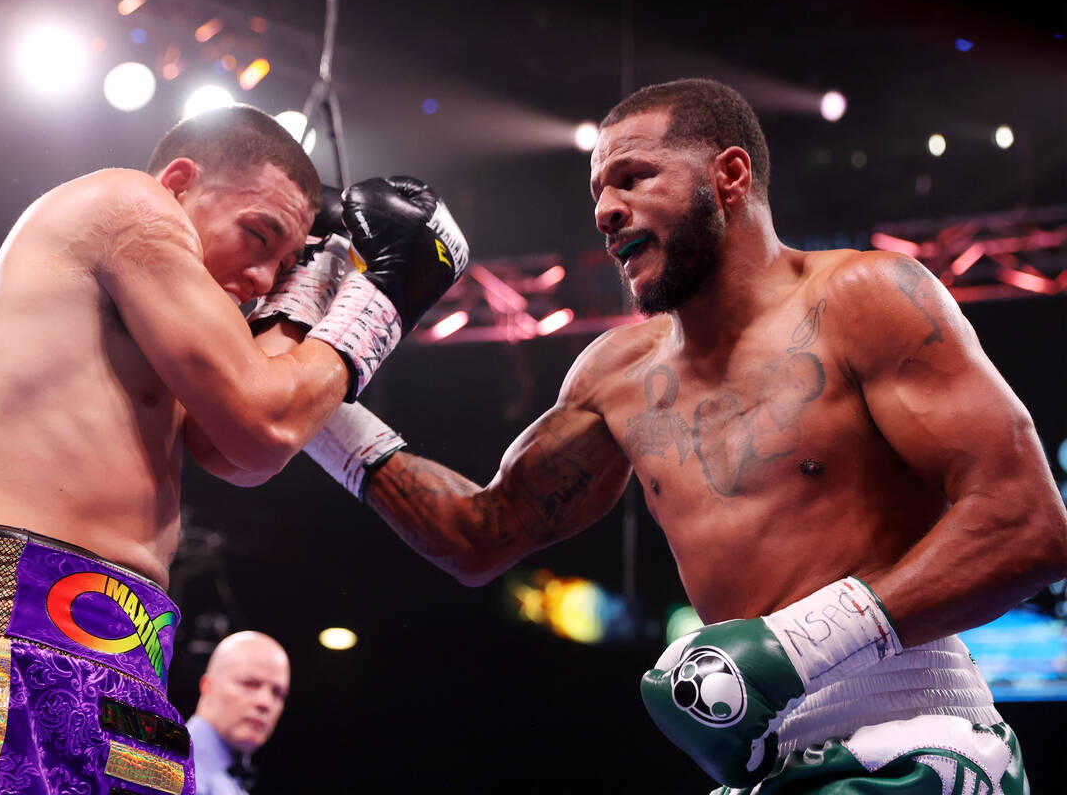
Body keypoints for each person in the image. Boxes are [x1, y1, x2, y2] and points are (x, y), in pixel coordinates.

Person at [298, 79, 1067, 793]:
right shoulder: (615, 377)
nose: (604, 210)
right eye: (598, 191)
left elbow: (1028, 524)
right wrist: (307, 384)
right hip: (767, 759)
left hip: (915, 735)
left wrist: (798, 645)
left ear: (730, 176)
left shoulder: (865, 298)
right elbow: (477, 535)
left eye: (633, 178)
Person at [0, 103, 467, 795]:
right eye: (258, 235)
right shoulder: (128, 205)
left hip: (129, 649)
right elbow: (263, 426)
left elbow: (236, 453)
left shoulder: (177, 319)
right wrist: (385, 294)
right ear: (180, 183)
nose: (265, 280)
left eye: (285, 262)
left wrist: (321, 277)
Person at [187, 632, 290, 795]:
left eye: (277, 693)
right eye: (250, 684)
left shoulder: (230, 780)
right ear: (208, 686)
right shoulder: (169, 770)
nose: (265, 702)